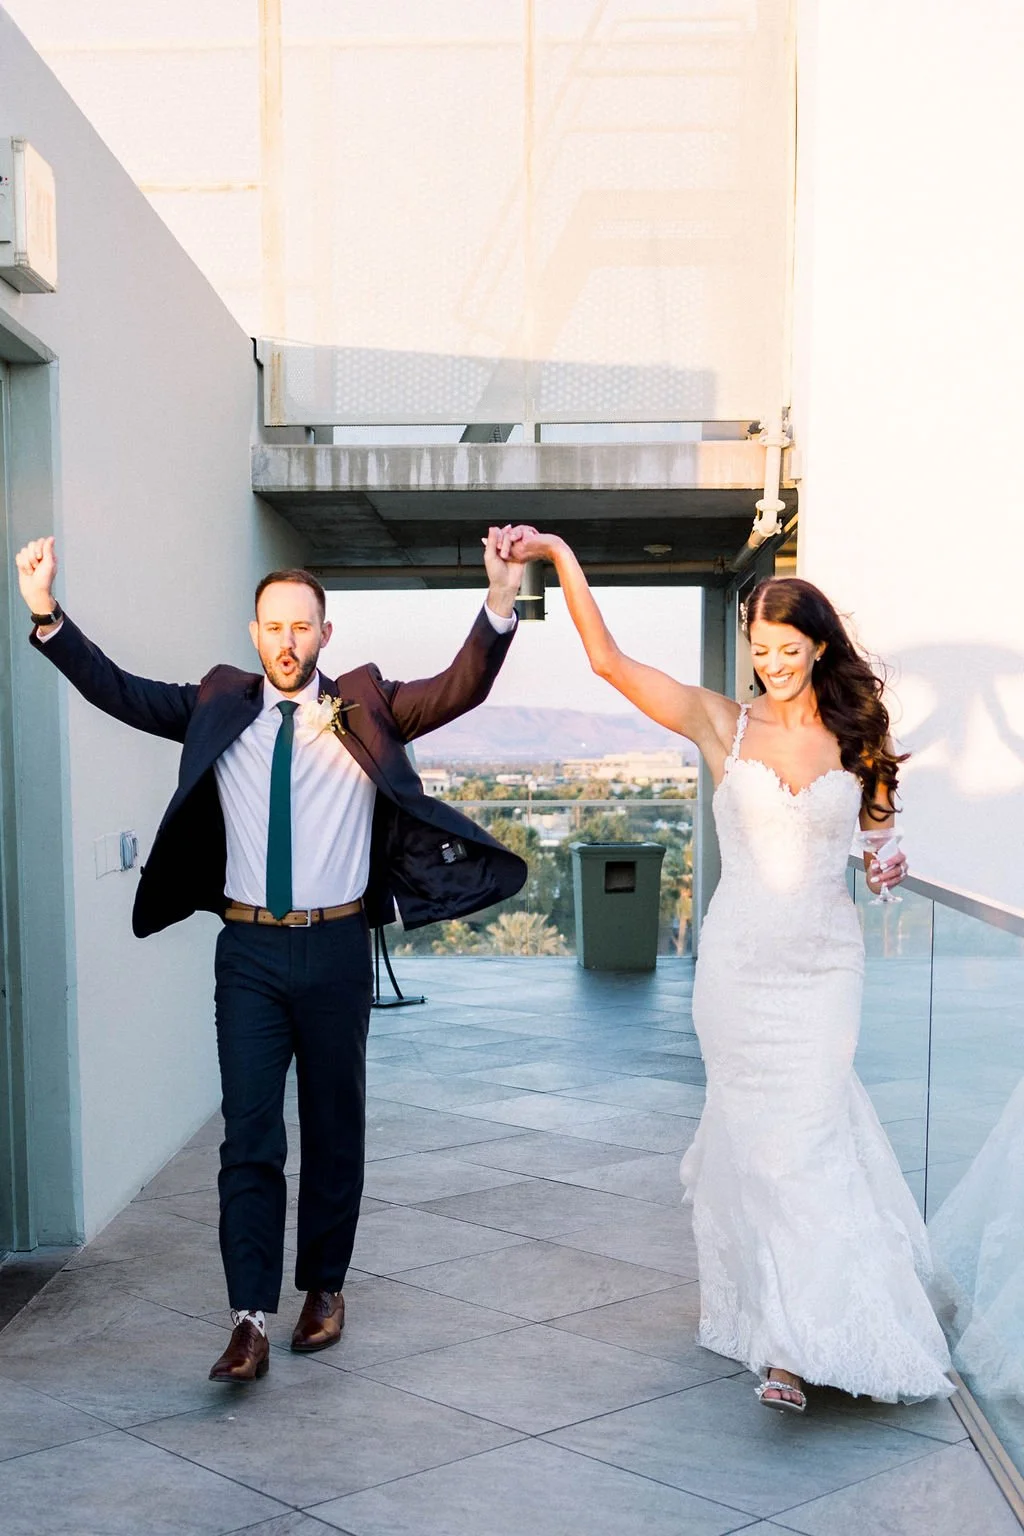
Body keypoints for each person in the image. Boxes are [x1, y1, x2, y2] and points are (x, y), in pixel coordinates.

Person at [15, 532, 527, 1384]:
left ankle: (323, 1288)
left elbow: (458, 689)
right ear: (254, 634)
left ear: (326, 634)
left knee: (334, 1129)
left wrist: (500, 599)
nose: (286, 642)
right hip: (247, 950)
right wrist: (46, 615)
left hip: (334, 948)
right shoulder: (219, 704)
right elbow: (119, 692)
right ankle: (248, 1317)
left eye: (302, 627)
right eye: (272, 627)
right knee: (249, 1136)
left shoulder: (366, 704)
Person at [500, 526, 953, 1412]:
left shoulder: (861, 735)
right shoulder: (723, 723)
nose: (774, 664)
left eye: (790, 650)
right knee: (765, 1153)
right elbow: (608, 663)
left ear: (819, 648)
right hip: (739, 974)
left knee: (807, 1146)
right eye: (762, 649)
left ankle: (804, 1334)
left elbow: (878, 847)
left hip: (824, 974)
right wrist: (557, 554)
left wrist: (886, 861)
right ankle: (785, 1346)